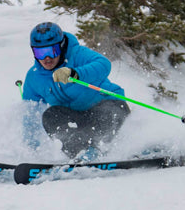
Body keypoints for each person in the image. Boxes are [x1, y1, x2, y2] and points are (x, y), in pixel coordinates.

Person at [22, 21, 130, 159]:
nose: (46, 58)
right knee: (50, 115)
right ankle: (82, 154)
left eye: (51, 51)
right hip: (76, 120)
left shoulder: (77, 54)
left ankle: (109, 150)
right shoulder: (34, 77)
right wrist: (31, 151)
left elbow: (104, 64)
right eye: (40, 52)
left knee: (107, 113)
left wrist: (75, 73)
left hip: (108, 105)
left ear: (61, 47)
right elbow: (30, 113)